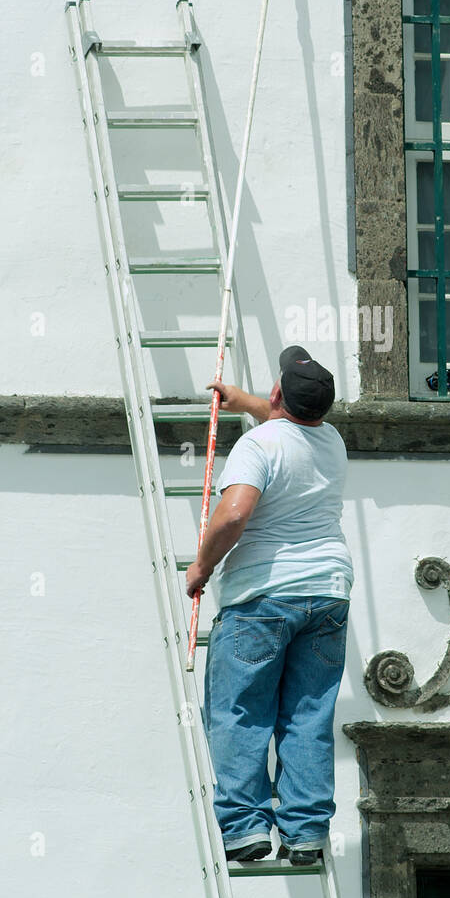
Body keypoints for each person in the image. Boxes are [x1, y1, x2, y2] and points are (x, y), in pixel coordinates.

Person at [185, 346, 354, 865]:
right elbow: (292, 423)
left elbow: (233, 517)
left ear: (279, 393)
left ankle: (246, 828)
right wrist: (244, 401)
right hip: (327, 594)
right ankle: (304, 833)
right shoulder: (332, 441)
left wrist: (202, 567)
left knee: (240, 712)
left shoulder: (257, 447)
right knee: (306, 715)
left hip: (262, 598)